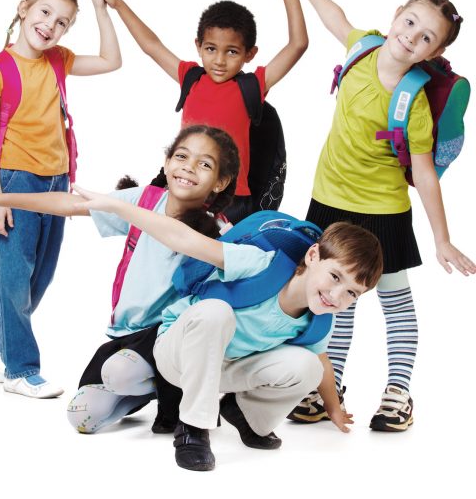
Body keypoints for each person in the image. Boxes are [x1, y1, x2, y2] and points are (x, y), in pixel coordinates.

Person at [280, 0, 476, 431]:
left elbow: (424, 173)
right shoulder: (364, 46)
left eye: (426, 37)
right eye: (409, 22)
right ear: (396, 15)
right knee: (335, 297)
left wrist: (442, 239)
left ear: (435, 52)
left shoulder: (415, 104)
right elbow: (337, 18)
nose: (411, 37)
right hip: (328, 202)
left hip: (381, 213)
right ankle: (331, 386)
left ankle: (398, 393)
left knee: (394, 300)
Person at [53, 186, 383, 471]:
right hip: (177, 352)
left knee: (308, 366)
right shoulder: (261, 264)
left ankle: (246, 414)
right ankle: (193, 427)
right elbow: (184, 238)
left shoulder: (318, 319)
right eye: (335, 277)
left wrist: (334, 409)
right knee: (215, 312)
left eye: (352, 293)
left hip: (222, 370)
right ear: (312, 256)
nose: (336, 296)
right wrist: (117, 207)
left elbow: (321, 363)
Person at [0, 125, 239, 427]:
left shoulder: (218, 231)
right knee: (82, 416)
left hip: (167, 336)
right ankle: (144, 390)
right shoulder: (146, 200)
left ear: (220, 182)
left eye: (205, 164)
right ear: (166, 163)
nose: (189, 167)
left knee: (120, 373)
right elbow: (70, 204)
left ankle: (170, 383)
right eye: (182, 156)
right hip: (126, 334)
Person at [0, 0, 122, 399]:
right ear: (23, 9)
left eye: (62, 22)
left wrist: (100, 9)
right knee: (13, 280)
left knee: (38, 280)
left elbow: (111, 61)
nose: (50, 25)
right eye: (45, 12)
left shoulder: (58, 59)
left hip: (56, 181)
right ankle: (20, 370)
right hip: (15, 180)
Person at [88, 0, 308, 222]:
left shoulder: (252, 86)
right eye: (211, 49)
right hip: (183, 189)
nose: (219, 61)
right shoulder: (191, 78)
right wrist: (117, 4)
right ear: (198, 46)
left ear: (249, 54)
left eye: (232, 52)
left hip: (228, 201)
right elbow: (151, 45)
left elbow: (298, 44)